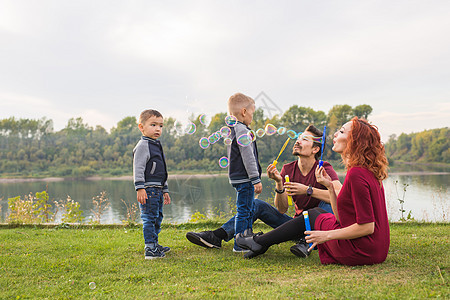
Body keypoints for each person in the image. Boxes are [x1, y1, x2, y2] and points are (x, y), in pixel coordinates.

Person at [236, 117, 390, 266]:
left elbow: (367, 226)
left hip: (360, 251)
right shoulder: (365, 170)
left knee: (312, 214)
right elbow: (340, 218)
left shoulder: (357, 174)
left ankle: (259, 243)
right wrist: (329, 187)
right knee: (314, 213)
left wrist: (325, 235)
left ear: (355, 141)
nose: (335, 134)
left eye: (341, 132)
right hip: (375, 249)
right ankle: (260, 244)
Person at [186, 124, 342, 257]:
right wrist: (279, 184)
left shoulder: (324, 168)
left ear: (315, 149)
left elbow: (340, 196)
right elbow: (281, 209)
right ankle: (217, 235)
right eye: (299, 137)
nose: (298, 140)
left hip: (319, 226)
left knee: (328, 199)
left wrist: (308, 190)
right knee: (256, 204)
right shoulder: (288, 169)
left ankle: (307, 243)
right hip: (294, 226)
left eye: (304, 139)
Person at [225, 93, 262, 250]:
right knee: (244, 210)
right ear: (244, 112)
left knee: (247, 208)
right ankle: (240, 244)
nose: (252, 118)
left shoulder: (232, 129)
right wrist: (255, 178)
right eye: (252, 113)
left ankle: (247, 237)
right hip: (245, 178)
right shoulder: (241, 129)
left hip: (238, 177)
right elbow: (248, 156)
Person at [133, 109, 171, 259]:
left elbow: (162, 170)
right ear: (141, 127)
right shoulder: (143, 145)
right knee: (149, 217)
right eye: (153, 124)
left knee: (157, 217)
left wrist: (165, 189)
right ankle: (150, 248)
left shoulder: (156, 144)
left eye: (161, 126)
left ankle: (154, 243)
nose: (157, 129)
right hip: (148, 189)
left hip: (158, 189)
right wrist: (140, 187)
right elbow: (139, 168)